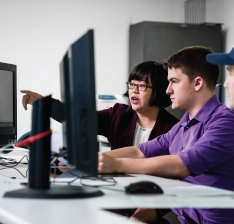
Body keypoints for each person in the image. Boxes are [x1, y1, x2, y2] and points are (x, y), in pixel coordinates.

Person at [98, 46, 234, 224]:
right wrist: (97, 161)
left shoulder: (225, 122)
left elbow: (182, 165)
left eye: (174, 81)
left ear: (197, 83)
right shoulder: (183, 124)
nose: (168, 90)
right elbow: (141, 151)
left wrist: (115, 164)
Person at [21, 61, 178, 150]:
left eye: (142, 86)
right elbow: (78, 118)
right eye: (131, 84)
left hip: (151, 196)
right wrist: (44, 103)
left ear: (157, 90)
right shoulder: (118, 114)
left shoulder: (174, 128)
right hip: (116, 188)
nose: (134, 91)